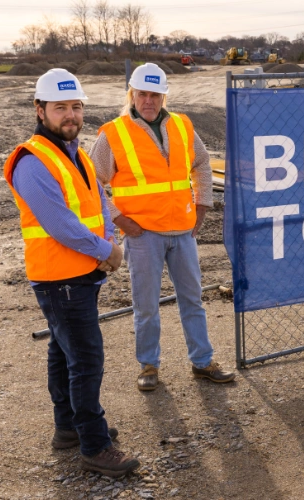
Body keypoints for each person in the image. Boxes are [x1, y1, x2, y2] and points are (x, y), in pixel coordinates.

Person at [3, 69, 140, 477]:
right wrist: (107, 250)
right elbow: (58, 224)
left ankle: (68, 428)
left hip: (80, 271)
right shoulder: (32, 160)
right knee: (86, 359)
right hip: (59, 277)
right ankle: (95, 446)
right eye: (60, 107)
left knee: (63, 352)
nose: (70, 115)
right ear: (40, 109)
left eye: (76, 107)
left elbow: (97, 200)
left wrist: (107, 239)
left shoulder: (75, 152)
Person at [89, 62, 235, 391]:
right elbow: (92, 184)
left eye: (155, 94)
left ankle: (202, 361)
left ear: (163, 96)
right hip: (143, 236)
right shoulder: (113, 133)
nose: (149, 101)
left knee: (193, 300)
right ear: (132, 95)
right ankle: (149, 365)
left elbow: (201, 164)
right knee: (146, 305)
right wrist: (117, 217)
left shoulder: (182, 126)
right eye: (142, 94)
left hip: (182, 231)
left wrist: (202, 204)